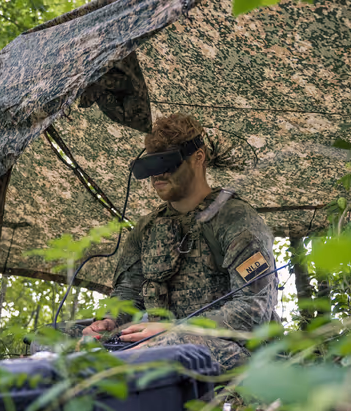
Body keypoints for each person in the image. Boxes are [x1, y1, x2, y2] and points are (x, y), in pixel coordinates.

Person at [81, 113, 280, 372]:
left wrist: (174, 329)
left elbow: (254, 310)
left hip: (235, 350)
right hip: (158, 341)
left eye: (167, 163)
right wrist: (109, 321)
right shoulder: (146, 228)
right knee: (59, 340)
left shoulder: (235, 219)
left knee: (160, 351)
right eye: (152, 165)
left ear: (198, 157)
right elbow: (128, 294)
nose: (158, 175)